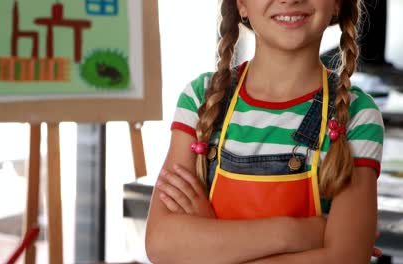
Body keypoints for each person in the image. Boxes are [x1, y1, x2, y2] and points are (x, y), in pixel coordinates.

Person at [145, 0, 385, 263]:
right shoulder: (202, 99)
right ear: (241, 5)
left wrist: (209, 245)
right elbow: (161, 241)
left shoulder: (355, 115)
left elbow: (345, 259)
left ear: (337, 4)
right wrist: (296, 233)